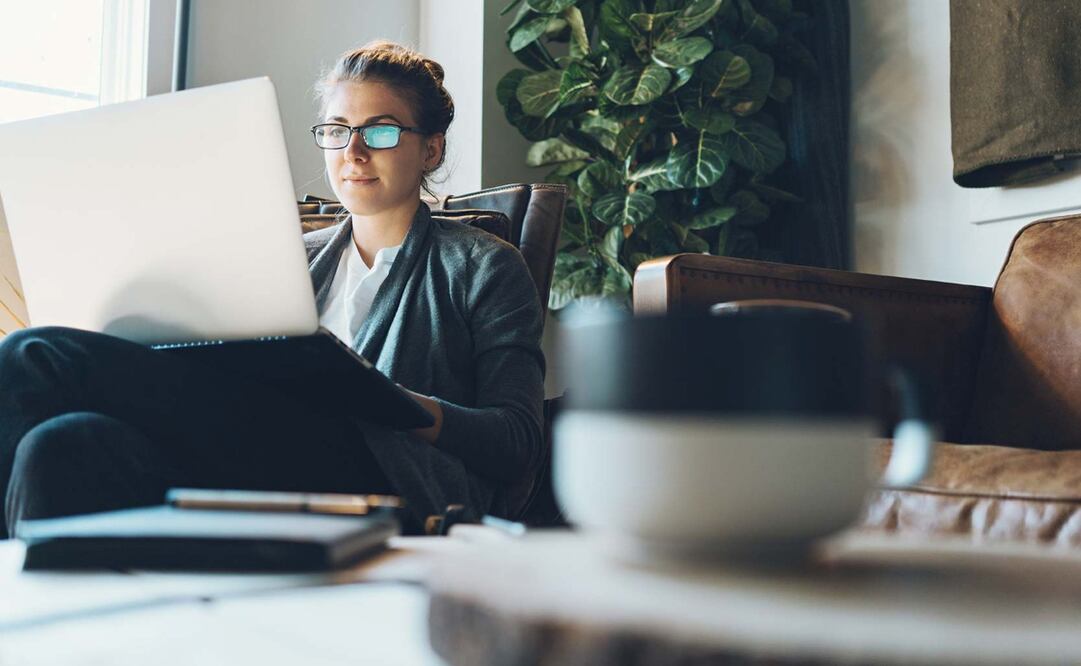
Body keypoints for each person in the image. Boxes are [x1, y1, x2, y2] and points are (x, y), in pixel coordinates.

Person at [0, 41, 545, 537]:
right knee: (57, 446)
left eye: (380, 131)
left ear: (430, 150)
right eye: (337, 130)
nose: (353, 151)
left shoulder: (485, 265)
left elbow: (517, 440)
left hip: (385, 481)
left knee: (35, 354)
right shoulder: (287, 256)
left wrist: (394, 403)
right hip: (249, 454)